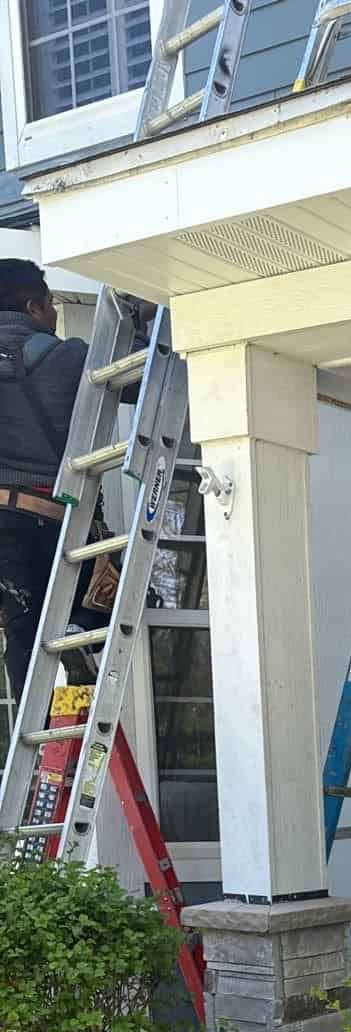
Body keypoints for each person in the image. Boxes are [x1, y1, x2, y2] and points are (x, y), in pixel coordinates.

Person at [0, 259, 109, 705]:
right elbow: (143, 376)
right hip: (46, 517)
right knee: (103, 599)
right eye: (52, 305)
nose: (56, 316)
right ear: (33, 306)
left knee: (23, 627)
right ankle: (78, 629)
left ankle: (31, 751)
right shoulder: (65, 358)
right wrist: (142, 324)